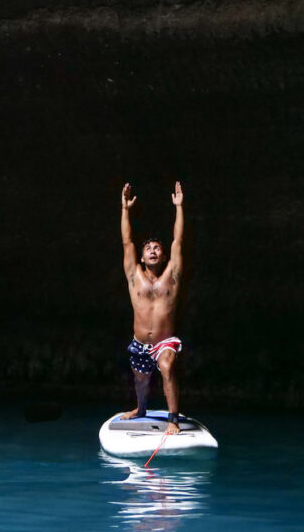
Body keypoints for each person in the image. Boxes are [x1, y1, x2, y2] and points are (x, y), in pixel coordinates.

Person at [119, 180, 184, 434]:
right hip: (139, 343)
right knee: (141, 382)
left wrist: (179, 207)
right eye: (148, 248)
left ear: (164, 255)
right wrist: (125, 210)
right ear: (142, 257)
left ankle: (174, 420)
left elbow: (178, 240)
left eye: (157, 248)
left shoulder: (172, 276)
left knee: (166, 366)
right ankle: (141, 408)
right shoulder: (134, 275)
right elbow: (127, 242)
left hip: (164, 342)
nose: (153, 250)